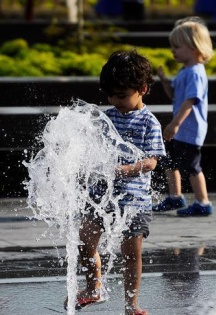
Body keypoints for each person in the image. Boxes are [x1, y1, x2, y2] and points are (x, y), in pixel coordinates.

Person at [64, 50, 166, 315]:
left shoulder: (149, 122)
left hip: (134, 201)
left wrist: (124, 169)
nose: (114, 101)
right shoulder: (105, 117)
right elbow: (91, 149)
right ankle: (94, 286)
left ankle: (131, 305)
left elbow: (152, 162)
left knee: (131, 254)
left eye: (121, 95)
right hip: (101, 195)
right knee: (85, 239)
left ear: (142, 89)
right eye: (110, 95)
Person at [153, 16, 214, 217]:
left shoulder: (196, 72)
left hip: (189, 130)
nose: (173, 51)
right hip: (180, 129)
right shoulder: (185, 71)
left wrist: (175, 124)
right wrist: (164, 82)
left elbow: (190, 101)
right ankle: (175, 196)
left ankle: (202, 202)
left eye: (177, 46)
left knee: (191, 166)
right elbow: (175, 96)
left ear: (194, 47)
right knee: (169, 160)